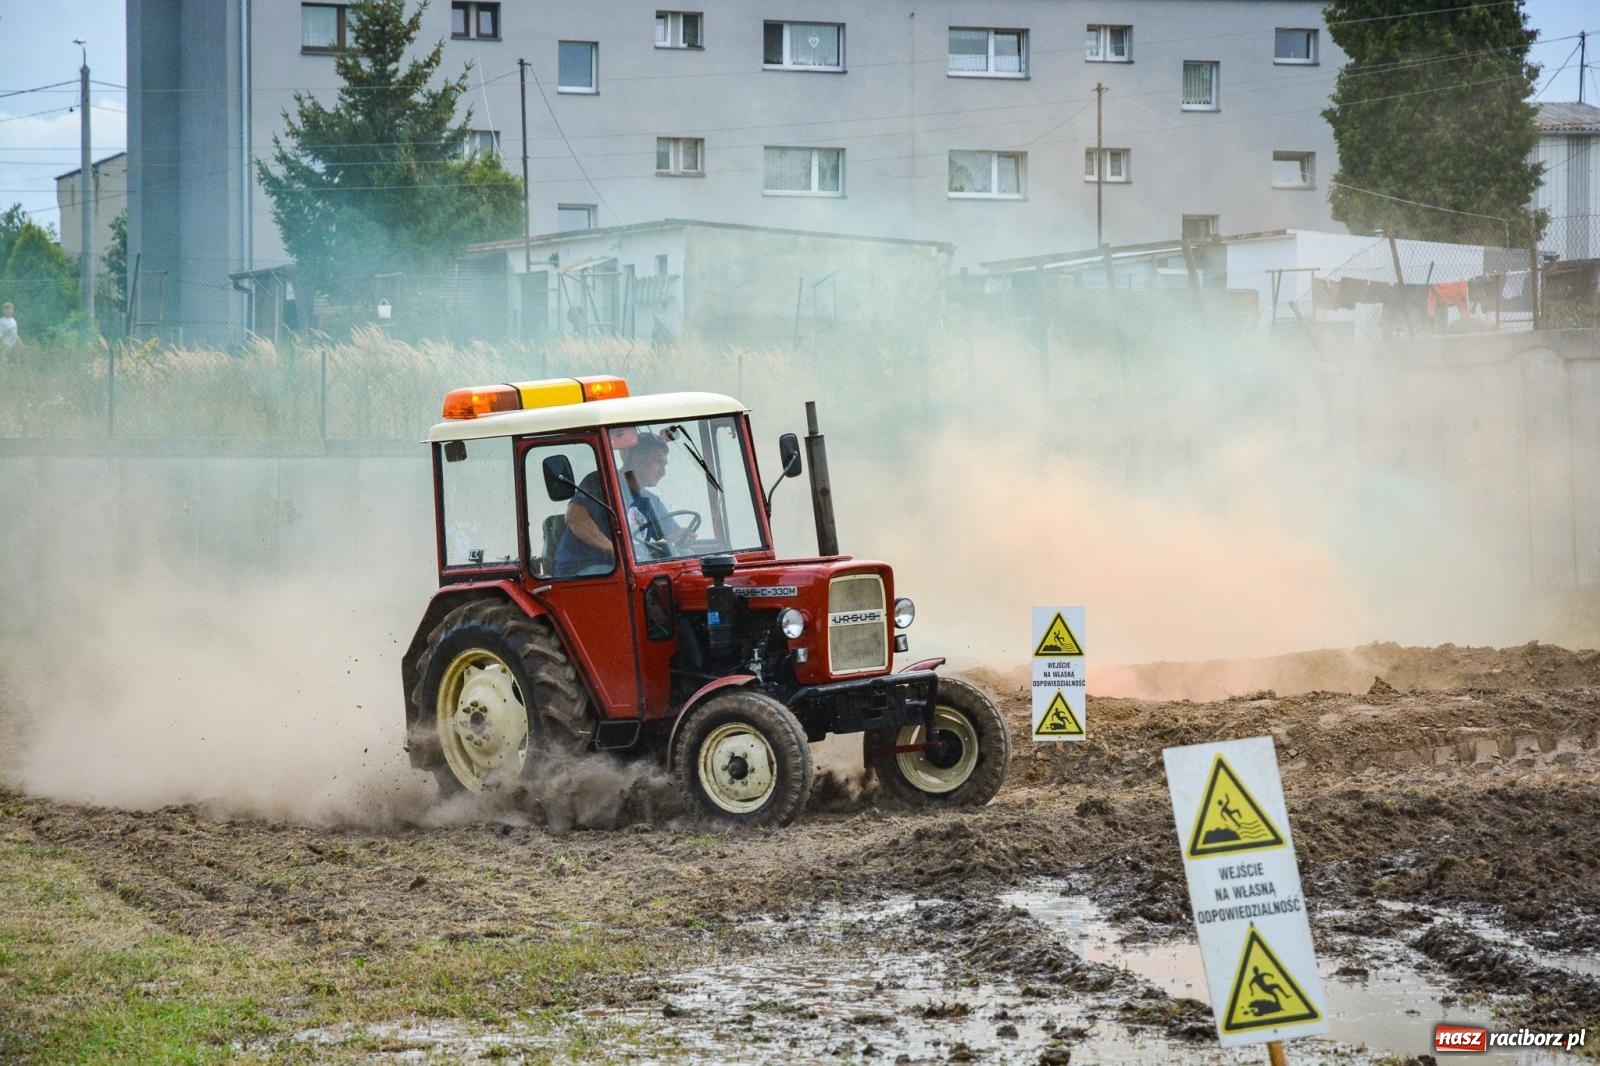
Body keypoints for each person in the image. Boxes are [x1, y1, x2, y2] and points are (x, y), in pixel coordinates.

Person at [552, 433, 692, 577]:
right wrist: (613, 549)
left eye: (664, 465)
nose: (663, 472)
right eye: (657, 462)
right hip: (585, 567)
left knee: (688, 558)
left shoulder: (651, 501)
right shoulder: (602, 483)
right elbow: (575, 517)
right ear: (638, 459)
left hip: (625, 569)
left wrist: (682, 537)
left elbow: (672, 533)